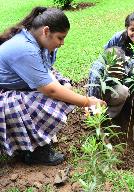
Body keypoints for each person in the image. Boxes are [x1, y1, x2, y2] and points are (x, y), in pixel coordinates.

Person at [0, 7, 106, 165]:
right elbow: (50, 90)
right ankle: (35, 152)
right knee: (55, 100)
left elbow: (48, 73)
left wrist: (69, 92)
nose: (62, 43)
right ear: (46, 31)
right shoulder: (25, 49)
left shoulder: (34, 40)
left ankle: (35, 141)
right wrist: (87, 101)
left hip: (13, 88)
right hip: (3, 98)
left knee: (65, 89)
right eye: (60, 38)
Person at [88, 47, 130, 118]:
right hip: (98, 93)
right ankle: (98, 117)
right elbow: (93, 92)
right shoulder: (97, 70)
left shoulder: (124, 63)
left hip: (110, 91)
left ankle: (108, 116)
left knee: (124, 91)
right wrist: (94, 113)